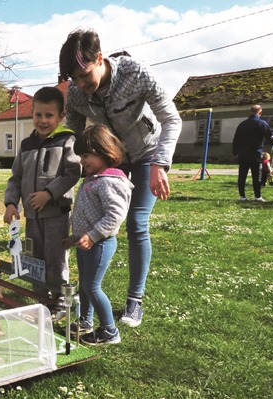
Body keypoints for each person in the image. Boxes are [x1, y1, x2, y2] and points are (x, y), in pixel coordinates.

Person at [59, 28, 182, 327]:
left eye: (85, 76)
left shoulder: (136, 73)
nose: (81, 84)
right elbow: (74, 135)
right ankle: (87, 306)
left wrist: (160, 164)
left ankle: (134, 300)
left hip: (147, 155)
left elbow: (171, 119)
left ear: (100, 58)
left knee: (136, 223)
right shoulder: (76, 92)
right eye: (74, 79)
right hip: (111, 158)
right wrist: (73, 167)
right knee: (90, 223)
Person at [3, 86, 82, 310]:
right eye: (38, 115)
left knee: (55, 257)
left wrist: (49, 193)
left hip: (56, 214)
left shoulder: (67, 140)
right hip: (32, 216)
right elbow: (16, 177)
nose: (43, 120)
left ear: (60, 117)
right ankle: (41, 298)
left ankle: (60, 299)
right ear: (32, 114)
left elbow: (72, 173)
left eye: (49, 115)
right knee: (34, 257)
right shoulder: (26, 145)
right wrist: (11, 203)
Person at [62, 125, 133, 345]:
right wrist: (77, 237)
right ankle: (85, 321)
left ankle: (110, 331)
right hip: (87, 243)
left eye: (86, 156)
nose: (82, 161)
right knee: (84, 284)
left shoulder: (111, 181)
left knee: (92, 287)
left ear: (105, 152)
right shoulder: (94, 178)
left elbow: (115, 216)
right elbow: (87, 213)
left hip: (100, 244)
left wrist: (93, 236)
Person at [232, 104, 273, 203]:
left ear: (250, 112)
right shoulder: (261, 123)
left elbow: (236, 140)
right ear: (260, 112)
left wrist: (235, 152)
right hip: (255, 154)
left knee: (242, 176)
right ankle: (257, 196)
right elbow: (270, 137)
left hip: (243, 154)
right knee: (257, 176)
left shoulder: (242, 124)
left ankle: (242, 196)